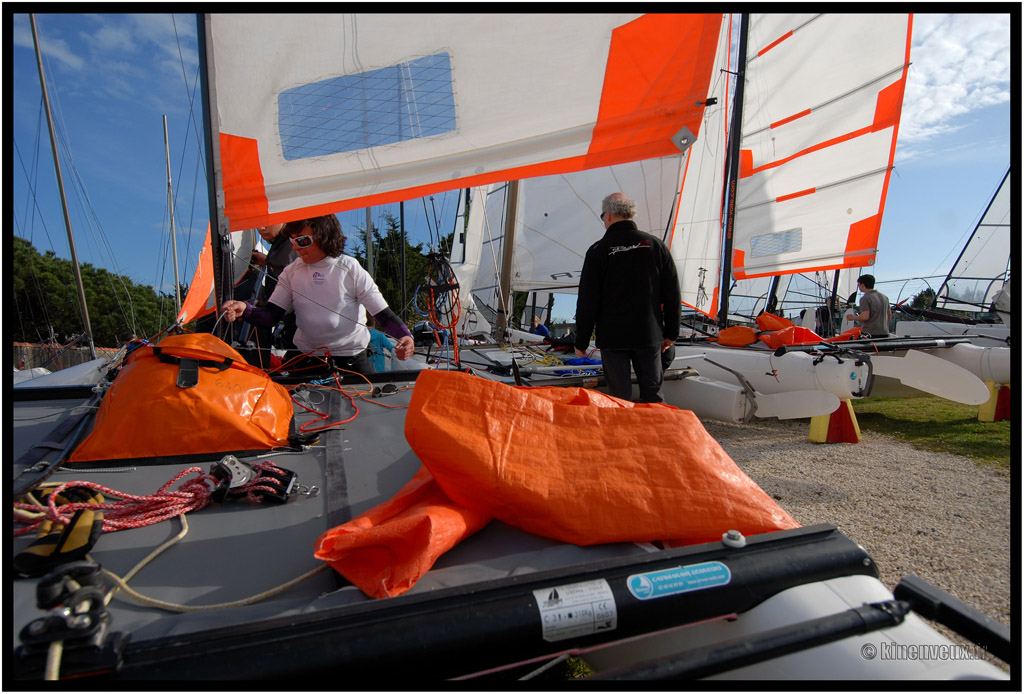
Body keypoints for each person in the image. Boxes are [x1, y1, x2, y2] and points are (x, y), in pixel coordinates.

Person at [221, 215, 415, 375]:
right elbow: (270, 315)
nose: (296, 247)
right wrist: (245, 309)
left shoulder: (350, 268)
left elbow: (382, 314)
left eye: (303, 241)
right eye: (292, 240)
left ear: (324, 237)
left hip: (352, 362)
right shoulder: (291, 271)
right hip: (308, 361)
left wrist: (405, 336)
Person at [573, 192, 680, 403]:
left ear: (610, 215)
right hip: (649, 334)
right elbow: (672, 294)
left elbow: (588, 300)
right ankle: (655, 434)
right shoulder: (656, 246)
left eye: (602, 216)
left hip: (614, 338)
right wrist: (671, 333)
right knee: (653, 394)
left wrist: (581, 341)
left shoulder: (598, 250)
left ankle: (623, 434)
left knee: (620, 397)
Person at [248, 223, 298, 368]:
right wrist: (266, 260)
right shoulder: (282, 243)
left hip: (295, 326)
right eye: (258, 223)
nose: (261, 228)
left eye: (266, 223)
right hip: (293, 326)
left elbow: (287, 277)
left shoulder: (288, 244)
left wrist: (261, 309)